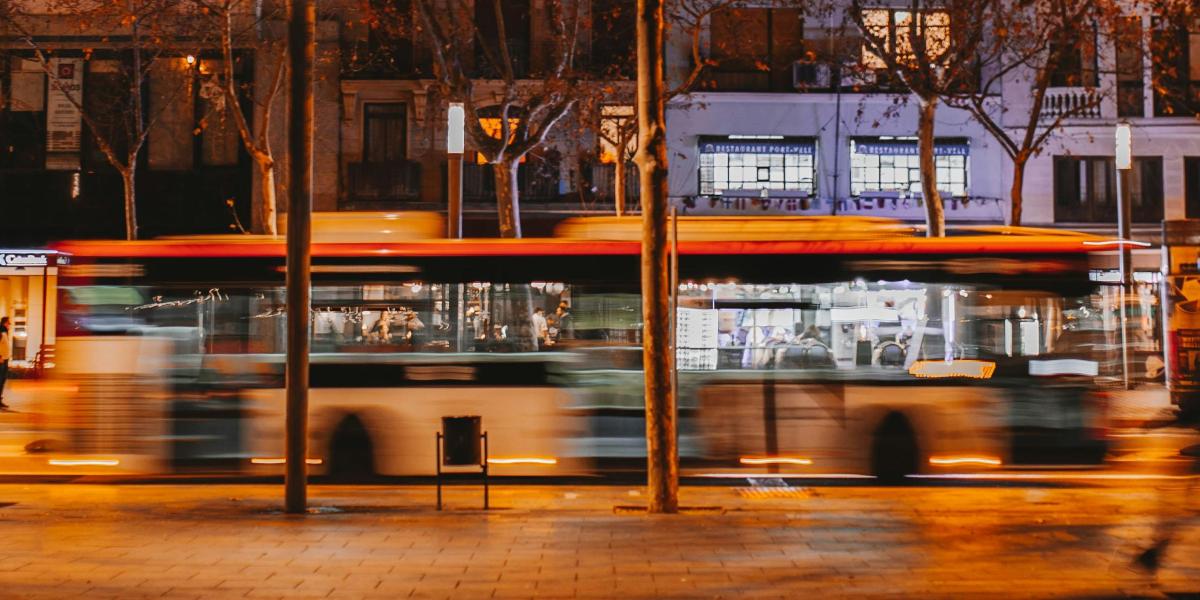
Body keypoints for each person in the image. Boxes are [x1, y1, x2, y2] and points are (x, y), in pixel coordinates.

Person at [0, 317, 11, 410]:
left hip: (5, 359)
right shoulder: (1, 332)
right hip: (1, 360)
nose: (9, 325)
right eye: (8, 323)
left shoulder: (5, 332)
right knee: (0, 380)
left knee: (2, 380)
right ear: (5, 323)